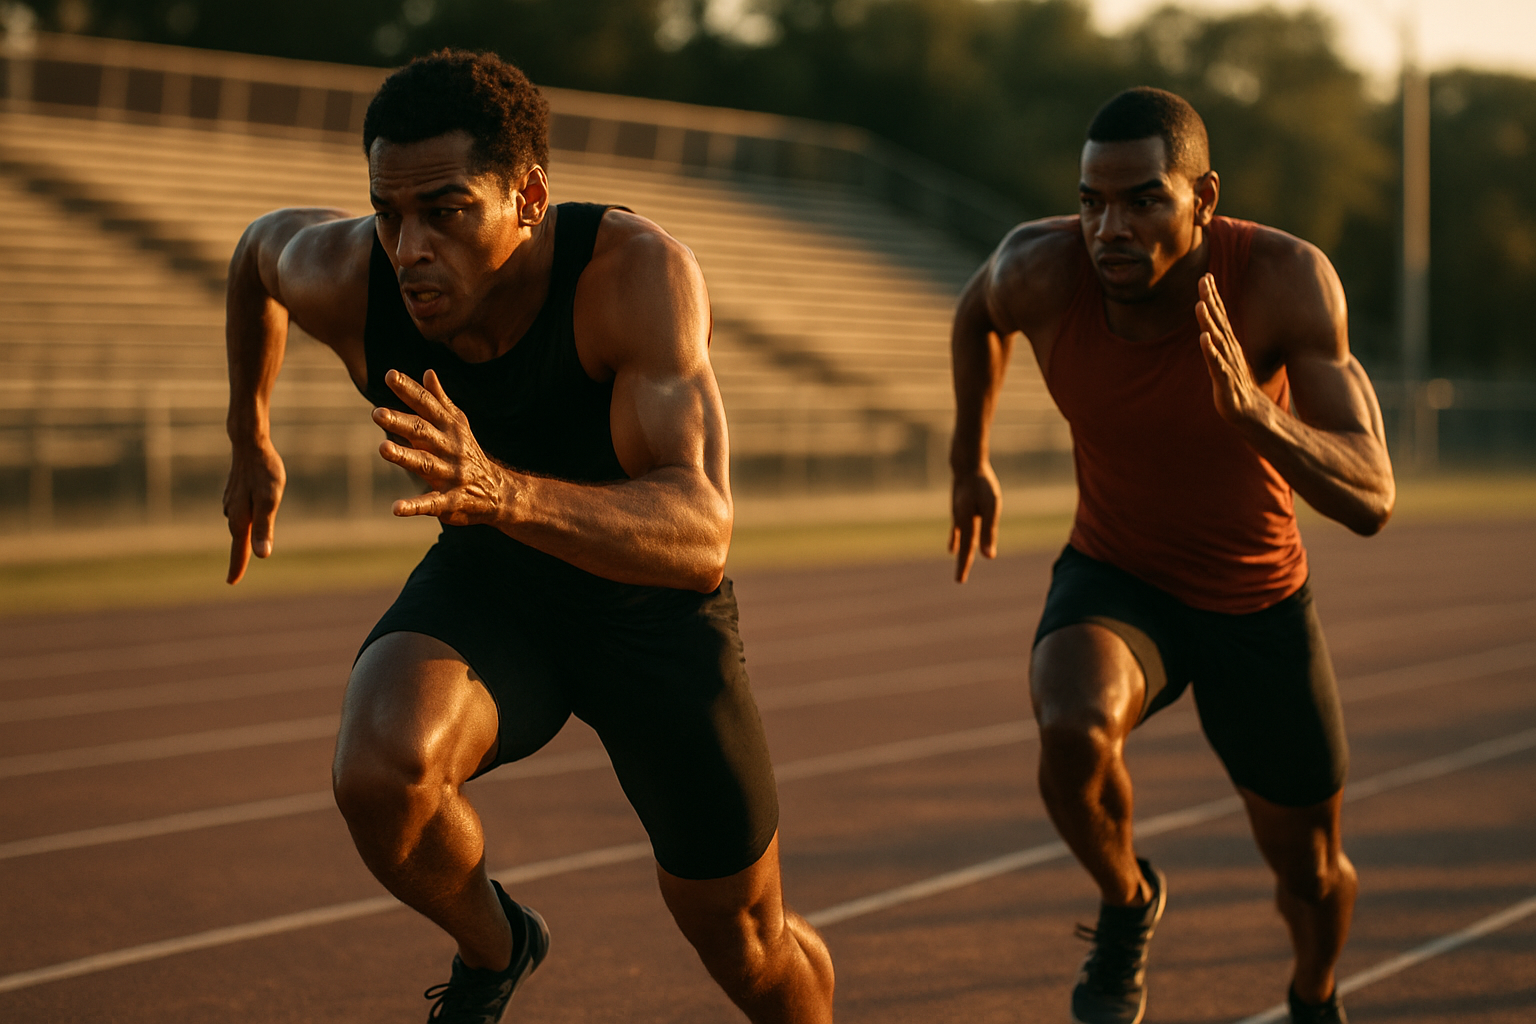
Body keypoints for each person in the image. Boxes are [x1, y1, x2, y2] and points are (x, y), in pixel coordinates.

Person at [221, 49, 835, 1024]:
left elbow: (701, 533)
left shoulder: (632, 274)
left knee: (747, 945)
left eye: (447, 211)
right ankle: (496, 946)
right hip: (497, 578)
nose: (409, 247)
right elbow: (258, 251)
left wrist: (502, 489)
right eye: (388, 213)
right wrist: (248, 429)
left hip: (652, 606)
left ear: (530, 195)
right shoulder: (350, 274)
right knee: (380, 770)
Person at [948, 87, 1394, 1024]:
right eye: (1091, 200)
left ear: (1204, 197)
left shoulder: (1282, 279)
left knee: (1312, 874)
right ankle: (1127, 901)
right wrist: (968, 459)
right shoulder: (1041, 268)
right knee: (1069, 722)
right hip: (1120, 572)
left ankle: (1314, 994)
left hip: (1257, 597)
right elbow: (976, 317)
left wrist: (1261, 418)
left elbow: (1372, 493)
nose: (1110, 226)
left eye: (1144, 200)